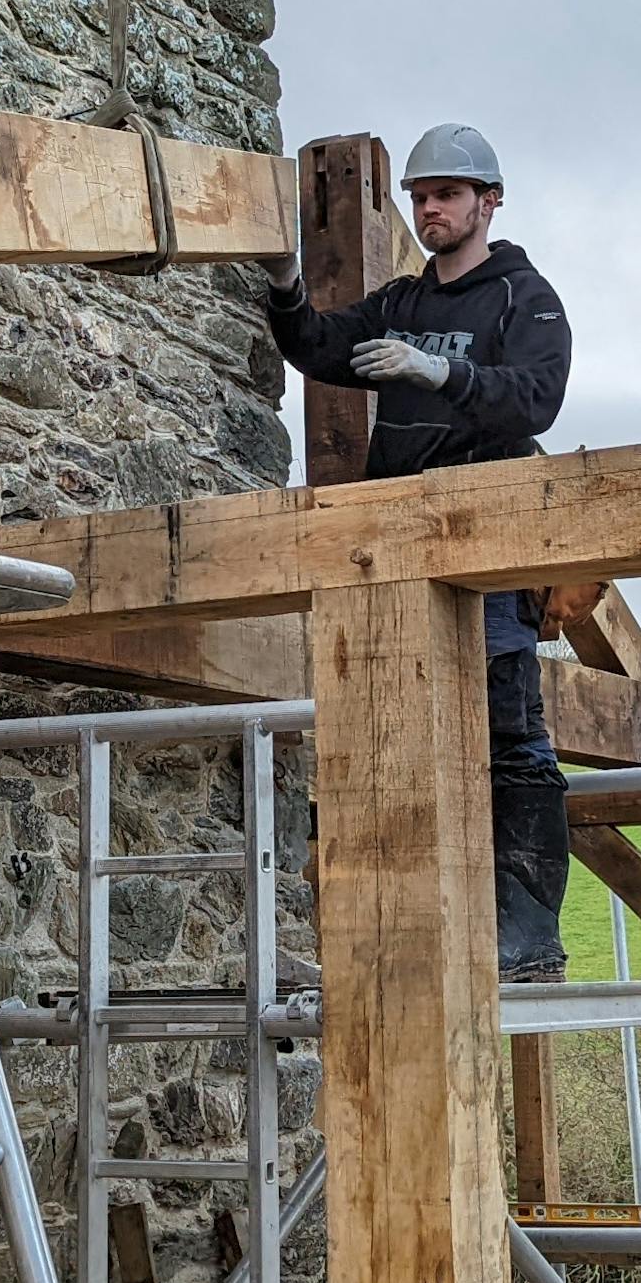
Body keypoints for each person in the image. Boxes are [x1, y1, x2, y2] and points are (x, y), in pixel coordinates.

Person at [259, 122, 577, 982]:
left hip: (488, 549)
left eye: (446, 194)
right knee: (395, 731)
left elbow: (539, 397)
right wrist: (284, 279)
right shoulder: (403, 304)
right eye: (420, 197)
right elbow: (320, 347)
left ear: (489, 201)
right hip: (397, 549)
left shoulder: (523, 298)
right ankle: (408, 928)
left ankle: (529, 937)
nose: (430, 208)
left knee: (510, 738)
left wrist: (444, 377)